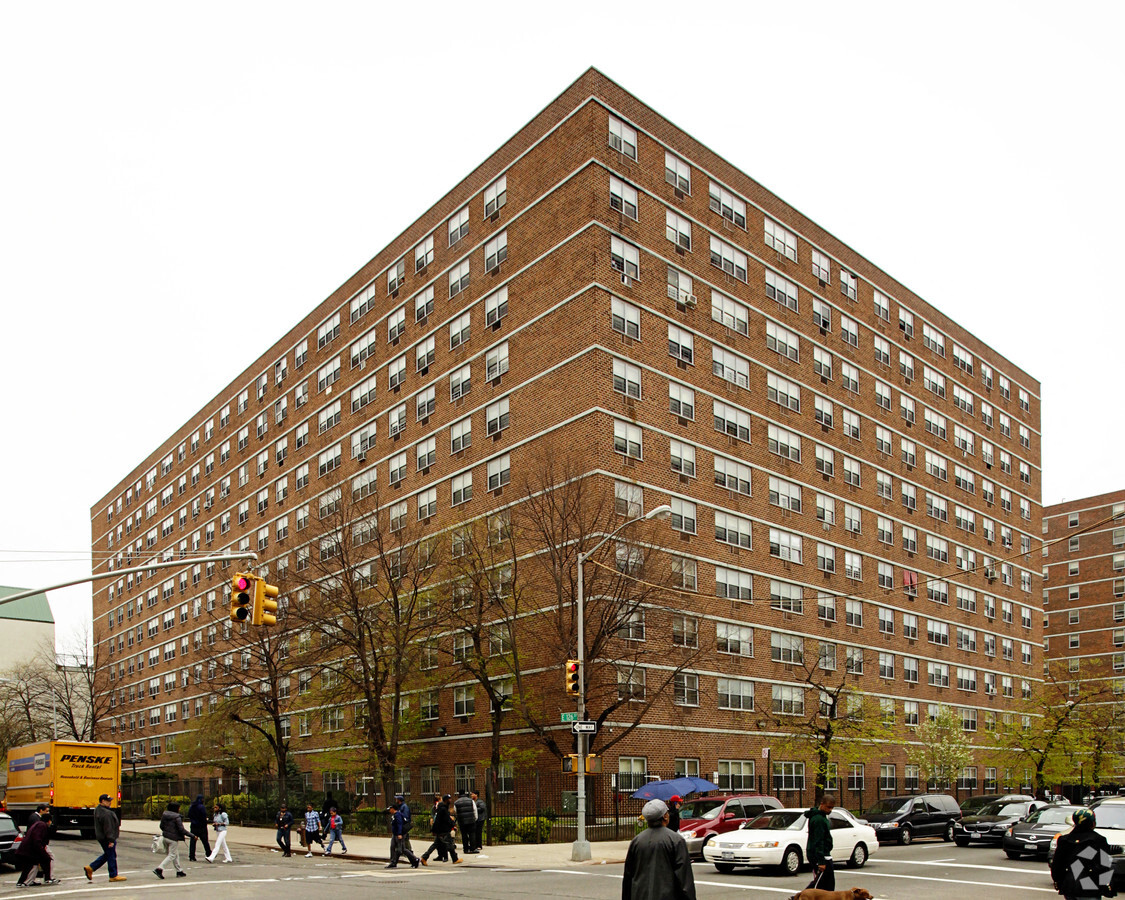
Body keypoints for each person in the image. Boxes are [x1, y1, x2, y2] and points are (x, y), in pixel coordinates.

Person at [621, 799, 695, 900]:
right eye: (667, 812)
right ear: (665, 816)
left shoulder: (637, 841)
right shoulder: (676, 840)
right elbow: (685, 880)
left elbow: (628, 877)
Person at [1051, 807, 1122, 900]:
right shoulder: (1098, 840)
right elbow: (1104, 866)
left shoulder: (1064, 840)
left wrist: (1058, 881)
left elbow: (1057, 865)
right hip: (1091, 886)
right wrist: (1106, 887)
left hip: (1070, 885)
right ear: (1093, 823)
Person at [84, 794, 126, 882]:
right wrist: (111, 840)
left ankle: (91, 868)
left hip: (101, 837)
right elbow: (108, 828)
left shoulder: (98, 810)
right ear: (103, 801)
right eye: (108, 801)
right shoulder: (106, 813)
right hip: (106, 838)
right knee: (111, 855)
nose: (110, 802)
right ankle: (113, 875)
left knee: (109, 854)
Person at [801, 793, 836, 894]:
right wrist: (821, 861)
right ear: (822, 804)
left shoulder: (820, 816)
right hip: (820, 855)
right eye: (828, 807)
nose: (830, 810)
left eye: (832, 808)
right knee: (822, 883)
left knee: (825, 882)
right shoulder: (819, 819)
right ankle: (799, 897)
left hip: (823, 854)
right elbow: (818, 840)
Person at [15, 811, 57, 888]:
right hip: (31, 850)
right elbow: (37, 839)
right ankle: (47, 879)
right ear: (49, 821)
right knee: (46, 859)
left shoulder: (38, 824)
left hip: (28, 849)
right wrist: (42, 851)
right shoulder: (42, 825)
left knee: (32, 865)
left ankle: (25, 882)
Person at [420, 794, 461, 865]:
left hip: (440, 830)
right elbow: (446, 819)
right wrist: (453, 825)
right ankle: (455, 859)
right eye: (449, 799)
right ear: (445, 800)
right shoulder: (443, 809)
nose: (450, 800)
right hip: (443, 830)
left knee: (436, 844)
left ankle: (424, 857)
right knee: (449, 844)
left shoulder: (442, 808)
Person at [153, 801, 189, 879]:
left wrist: (166, 831)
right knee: (172, 855)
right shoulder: (177, 817)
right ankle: (159, 869)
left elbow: (161, 826)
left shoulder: (164, 815)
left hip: (165, 837)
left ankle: (179, 871)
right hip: (173, 839)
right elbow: (181, 829)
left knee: (175, 854)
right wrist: (192, 835)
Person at [385, 795, 420, 868]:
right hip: (396, 834)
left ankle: (414, 859)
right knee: (394, 847)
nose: (389, 811)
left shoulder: (399, 813)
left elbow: (400, 824)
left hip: (399, 833)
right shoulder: (396, 813)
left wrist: (400, 833)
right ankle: (393, 862)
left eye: (390, 809)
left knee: (402, 849)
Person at [27, 804, 53, 883]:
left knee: (35, 862)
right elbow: (37, 834)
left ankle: (30, 880)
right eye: (46, 811)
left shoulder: (35, 817)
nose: (48, 813)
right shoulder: (37, 820)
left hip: (36, 844)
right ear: (41, 810)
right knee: (49, 857)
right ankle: (49, 877)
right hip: (38, 845)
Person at [187, 794, 211, 862]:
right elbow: (203, 816)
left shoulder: (192, 806)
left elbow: (189, 814)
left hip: (194, 826)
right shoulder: (201, 807)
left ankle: (192, 856)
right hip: (201, 826)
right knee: (205, 841)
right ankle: (208, 853)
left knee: (193, 841)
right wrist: (205, 821)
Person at [454, 791, 477, 855]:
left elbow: (456, 811)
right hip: (471, 820)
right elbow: (475, 810)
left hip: (462, 821)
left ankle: (466, 849)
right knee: (472, 834)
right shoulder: (471, 801)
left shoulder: (456, 802)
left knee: (464, 835)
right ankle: (473, 848)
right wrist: (475, 818)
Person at [429, 793, 448, 861]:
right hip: (437, 826)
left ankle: (445, 856)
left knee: (442, 842)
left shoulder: (443, 807)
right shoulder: (434, 808)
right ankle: (440, 855)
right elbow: (433, 816)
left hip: (441, 827)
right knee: (439, 843)